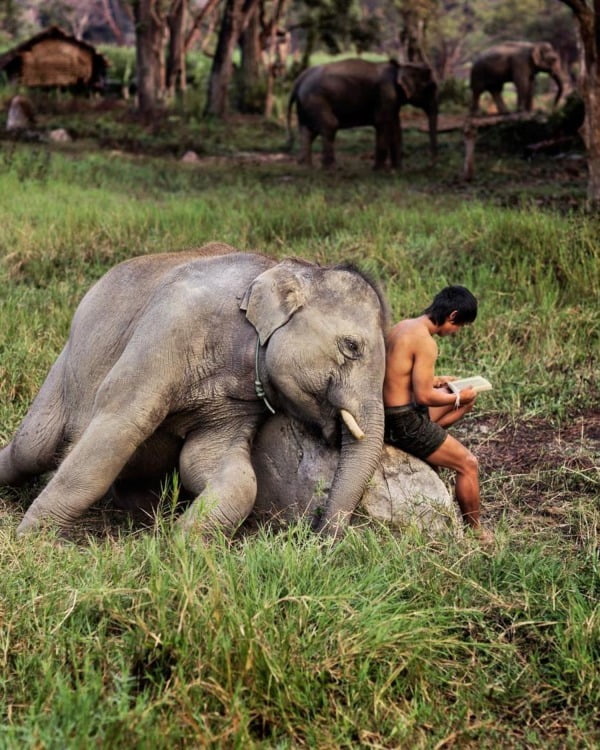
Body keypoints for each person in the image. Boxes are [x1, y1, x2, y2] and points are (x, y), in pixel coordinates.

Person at [383, 285, 492, 541]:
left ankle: (431, 446)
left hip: (390, 412)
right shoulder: (426, 343)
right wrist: (456, 395)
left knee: (468, 400)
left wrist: (438, 381)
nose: (456, 333)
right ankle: (477, 533)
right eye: (460, 326)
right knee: (468, 464)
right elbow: (423, 397)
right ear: (452, 316)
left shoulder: (403, 327)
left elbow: (398, 376)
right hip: (404, 421)